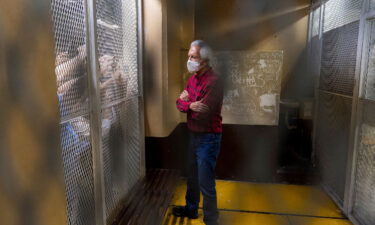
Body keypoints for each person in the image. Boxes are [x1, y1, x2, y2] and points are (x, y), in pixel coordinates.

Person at [173, 40, 224, 225]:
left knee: (205, 181)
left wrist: (186, 102)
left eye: (193, 57)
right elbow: (179, 104)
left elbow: (202, 115)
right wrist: (190, 104)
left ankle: (211, 220)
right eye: (189, 56)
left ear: (204, 60)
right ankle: (191, 209)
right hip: (194, 136)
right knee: (192, 177)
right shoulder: (193, 78)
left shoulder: (215, 81)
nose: (189, 60)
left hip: (208, 138)